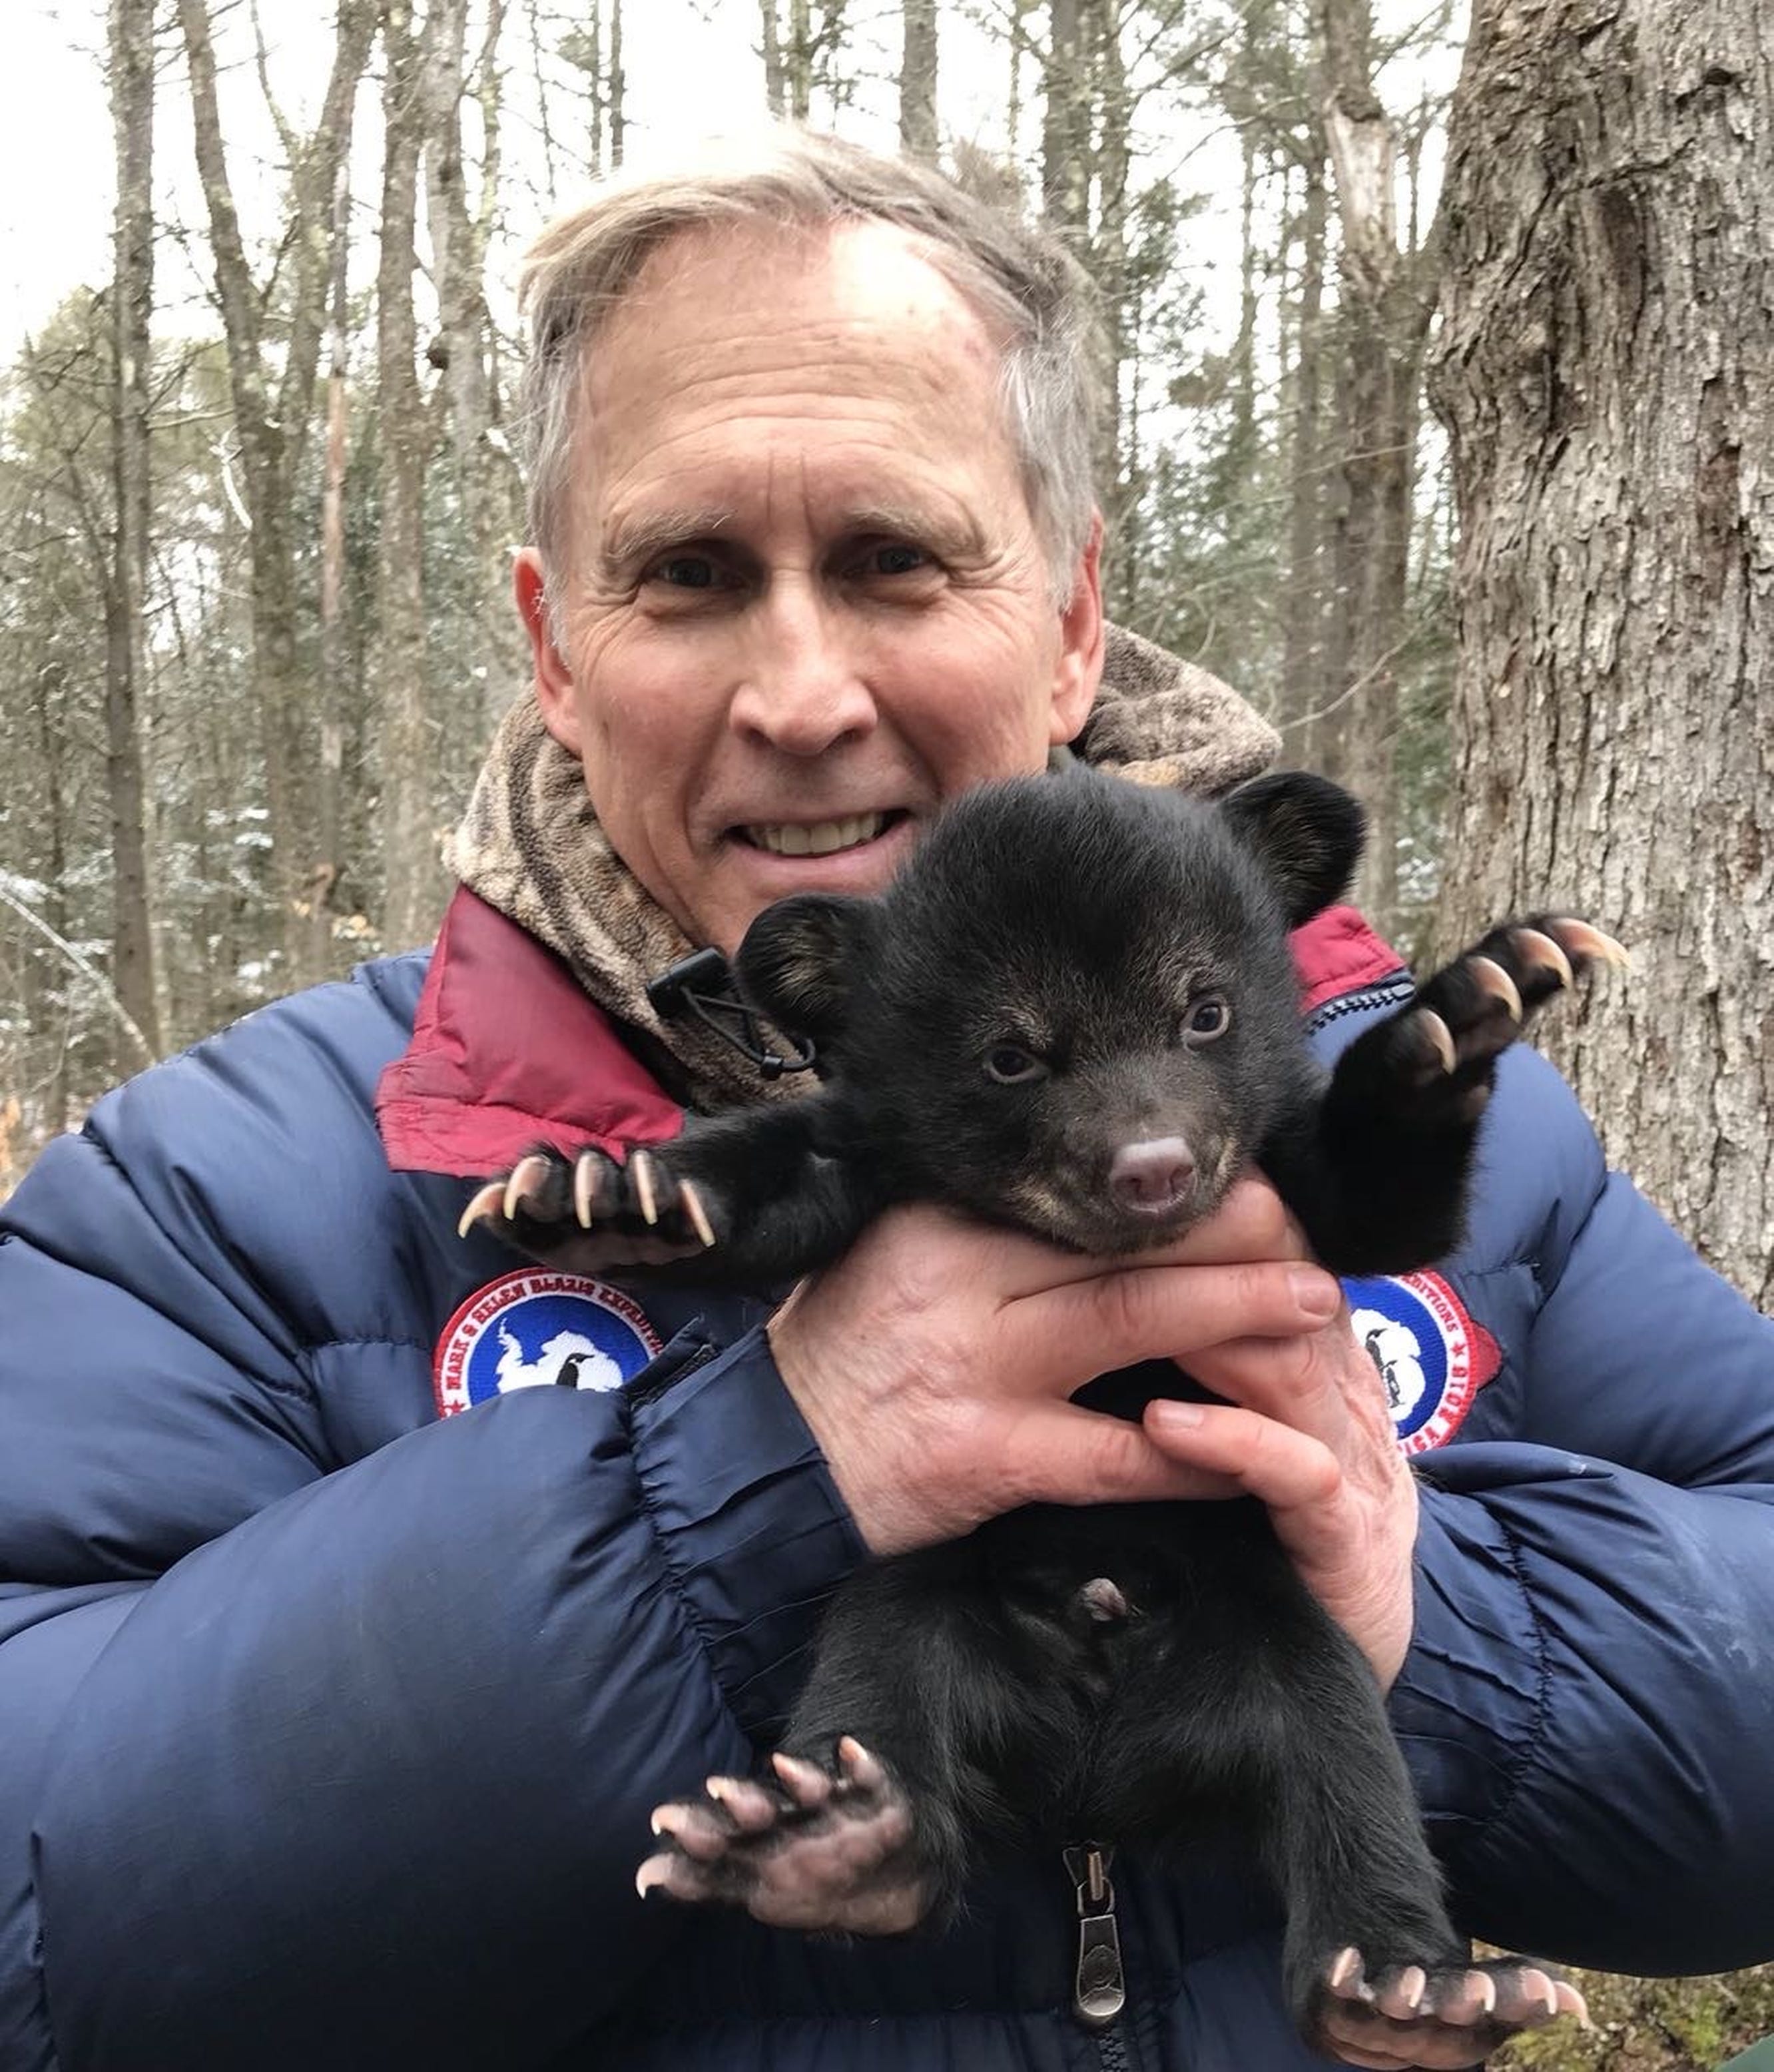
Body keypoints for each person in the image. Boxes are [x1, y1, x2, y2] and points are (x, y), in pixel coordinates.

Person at [1, 129, 1771, 2072]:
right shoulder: (212, 1201)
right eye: (685, 577)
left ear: (1076, 610)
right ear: (553, 648)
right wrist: (737, 1509)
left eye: (894, 559)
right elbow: (44, 1945)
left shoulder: (1417, 1103)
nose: (801, 693)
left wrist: (1440, 1617)